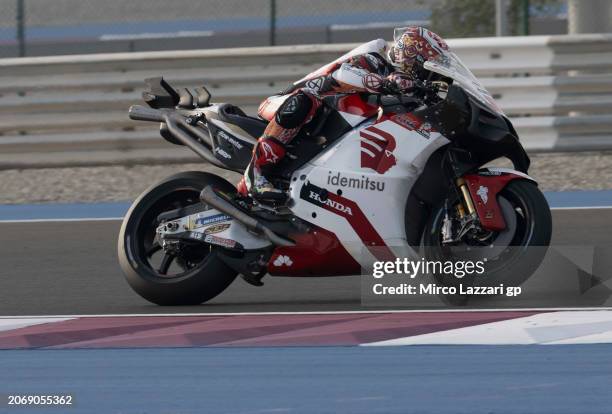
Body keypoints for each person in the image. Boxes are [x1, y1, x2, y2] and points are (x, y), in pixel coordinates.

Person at [239, 26, 450, 200]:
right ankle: (255, 174)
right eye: (430, 67)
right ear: (412, 55)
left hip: (322, 123)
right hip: (285, 103)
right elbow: (345, 75)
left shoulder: (403, 87)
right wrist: (385, 82)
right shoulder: (375, 59)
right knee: (306, 98)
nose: (430, 76)